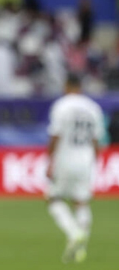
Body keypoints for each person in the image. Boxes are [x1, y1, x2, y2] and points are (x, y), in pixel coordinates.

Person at [46, 73, 104, 264]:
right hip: (86, 159)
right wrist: (94, 161)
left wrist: (50, 161)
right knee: (82, 202)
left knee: (53, 198)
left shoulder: (62, 106)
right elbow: (97, 140)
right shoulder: (93, 108)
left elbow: (55, 136)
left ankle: (74, 233)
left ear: (67, 86)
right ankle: (80, 250)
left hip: (65, 158)